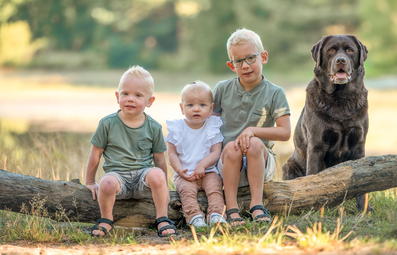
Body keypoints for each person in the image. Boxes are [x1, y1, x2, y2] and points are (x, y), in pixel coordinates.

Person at [85, 65, 178, 237]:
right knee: (106, 183)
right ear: (117, 96)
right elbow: (95, 154)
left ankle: (162, 218)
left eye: (138, 95)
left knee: (157, 174)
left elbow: (159, 160)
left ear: (150, 101)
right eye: (125, 94)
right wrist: (90, 182)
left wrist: (164, 188)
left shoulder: (154, 127)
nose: (130, 99)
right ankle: (106, 219)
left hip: (143, 178)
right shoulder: (107, 124)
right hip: (118, 178)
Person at [213, 28, 291, 225]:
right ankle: (231, 209)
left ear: (263, 57)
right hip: (229, 162)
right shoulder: (222, 89)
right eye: (238, 61)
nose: (245, 66)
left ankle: (256, 205)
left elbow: (285, 132)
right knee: (231, 147)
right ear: (231, 65)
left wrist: (253, 130)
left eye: (250, 58)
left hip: (261, 162)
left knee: (255, 144)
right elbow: (210, 127)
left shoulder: (275, 93)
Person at [166, 81, 227, 229]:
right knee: (187, 194)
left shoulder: (212, 127)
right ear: (182, 108)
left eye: (202, 105)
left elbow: (216, 152)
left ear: (211, 108)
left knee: (215, 189)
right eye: (190, 105)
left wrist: (202, 165)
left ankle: (217, 214)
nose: (196, 109)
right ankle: (194, 216)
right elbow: (172, 154)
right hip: (185, 175)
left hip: (208, 172)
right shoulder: (177, 128)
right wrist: (180, 170)